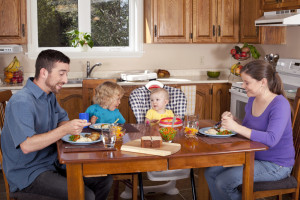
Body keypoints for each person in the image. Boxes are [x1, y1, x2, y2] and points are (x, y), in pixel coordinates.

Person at [1, 49, 113, 200]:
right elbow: (27, 146)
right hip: (28, 174)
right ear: (43, 73)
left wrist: (74, 126)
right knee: (85, 195)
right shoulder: (21, 102)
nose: (65, 80)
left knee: (104, 180)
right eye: (61, 73)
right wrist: (65, 129)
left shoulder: (48, 96)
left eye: (66, 74)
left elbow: (62, 120)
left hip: (52, 161)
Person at [205, 60, 295, 200]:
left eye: (247, 82)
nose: (243, 86)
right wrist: (235, 121)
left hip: (276, 165)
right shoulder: (253, 99)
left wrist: (237, 127)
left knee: (223, 182)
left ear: (262, 82)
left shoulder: (279, 104)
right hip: (252, 157)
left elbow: (271, 139)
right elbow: (249, 129)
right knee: (210, 173)